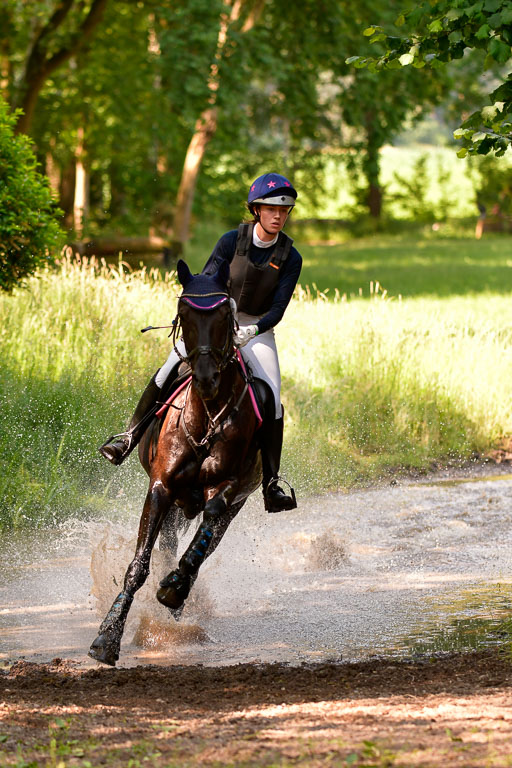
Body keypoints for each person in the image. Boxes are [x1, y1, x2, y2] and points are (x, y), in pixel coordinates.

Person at [99, 172, 302, 512]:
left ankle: (271, 483)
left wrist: (251, 331)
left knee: (273, 399)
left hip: (257, 330)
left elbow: (278, 308)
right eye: (270, 209)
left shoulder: (290, 257)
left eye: (284, 210)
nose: (278, 216)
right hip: (217, 322)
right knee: (168, 368)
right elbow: (206, 283)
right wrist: (214, 319)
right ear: (256, 210)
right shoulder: (229, 241)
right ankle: (129, 437)